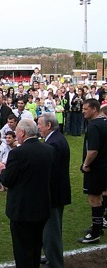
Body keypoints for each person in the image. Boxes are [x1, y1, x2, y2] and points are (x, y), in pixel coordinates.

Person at [0, 118, 54, 268]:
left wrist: (2, 170)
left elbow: (8, 180)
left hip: (22, 209)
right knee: (36, 246)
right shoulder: (48, 150)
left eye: (16, 133)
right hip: (42, 206)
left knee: (22, 250)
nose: (16, 135)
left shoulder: (17, 153)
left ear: (22, 133)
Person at [37, 113, 71, 267]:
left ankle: (55, 262)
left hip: (53, 194)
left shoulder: (54, 143)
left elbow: (51, 172)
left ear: (48, 125)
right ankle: (50, 256)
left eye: (40, 124)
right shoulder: (55, 139)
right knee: (50, 229)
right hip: (56, 192)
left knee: (52, 231)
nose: (38, 127)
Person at [78, 98, 107, 243]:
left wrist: (85, 164)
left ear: (94, 109)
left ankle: (95, 232)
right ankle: (99, 226)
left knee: (94, 199)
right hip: (105, 167)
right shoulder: (105, 122)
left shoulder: (94, 126)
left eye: (85, 109)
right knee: (101, 197)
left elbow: (93, 150)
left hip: (96, 169)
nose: (83, 112)